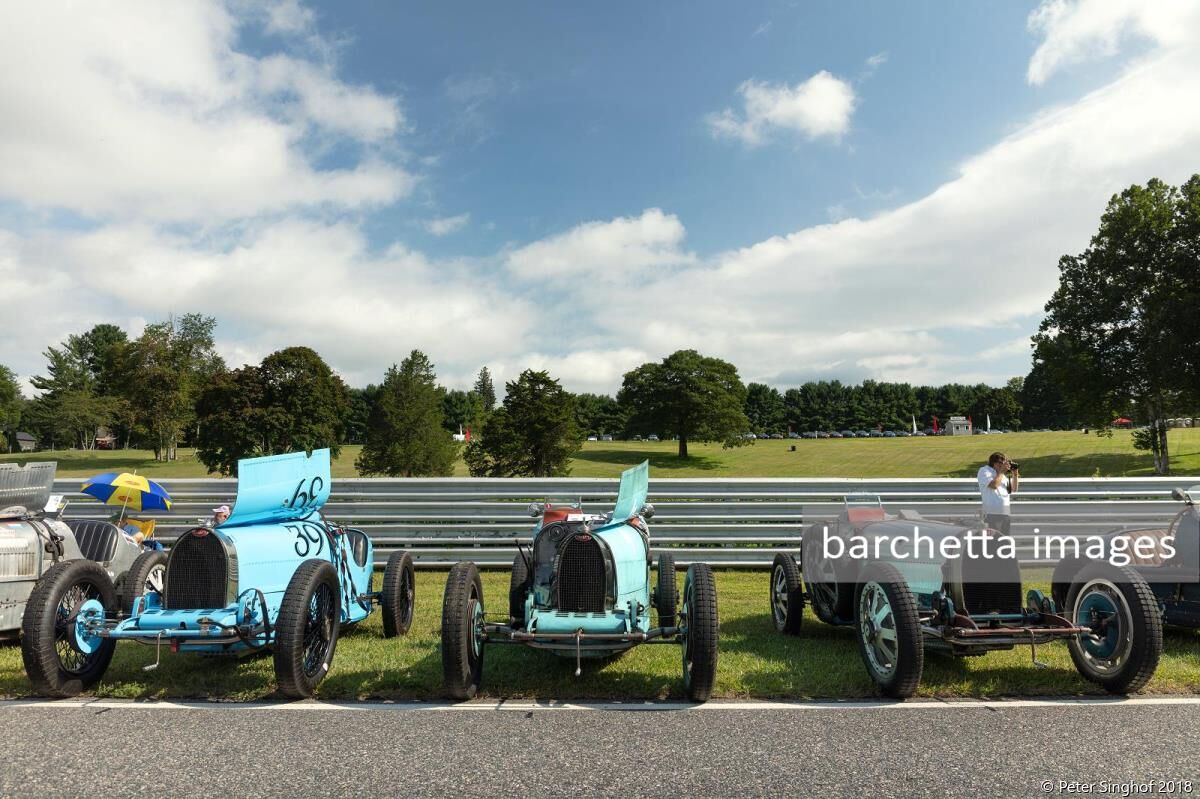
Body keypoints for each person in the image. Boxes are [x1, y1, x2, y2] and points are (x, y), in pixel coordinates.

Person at [977, 452, 1018, 534]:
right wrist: (1002, 472)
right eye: (1001, 463)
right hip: (991, 514)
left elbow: (1014, 489)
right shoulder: (984, 471)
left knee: (1004, 542)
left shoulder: (1002, 476)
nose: (1003, 465)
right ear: (994, 463)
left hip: (1005, 514)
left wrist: (1015, 475)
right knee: (993, 542)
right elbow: (993, 485)